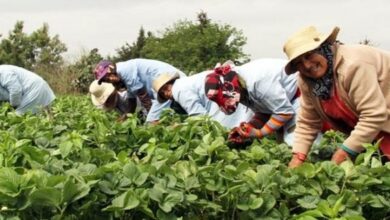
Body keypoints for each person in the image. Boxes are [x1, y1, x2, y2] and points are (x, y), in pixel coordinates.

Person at [283, 26, 390, 168]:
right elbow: (308, 121)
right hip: (377, 127)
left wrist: (343, 152)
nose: (307, 65)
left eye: (309, 55)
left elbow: (373, 115)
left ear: (323, 48)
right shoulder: (307, 80)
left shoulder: (353, 65)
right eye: (298, 63)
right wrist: (298, 157)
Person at [204, 59, 299, 145]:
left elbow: (284, 113)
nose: (238, 101)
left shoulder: (258, 83)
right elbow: (263, 112)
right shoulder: (241, 86)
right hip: (286, 102)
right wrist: (248, 128)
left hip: (301, 91)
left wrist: (260, 133)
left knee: (294, 142)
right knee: (282, 145)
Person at [152, 69, 254, 128]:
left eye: (166, 88)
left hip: (225, 97)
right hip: (232, 92)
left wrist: (181, 126)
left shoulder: (178, 90)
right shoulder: (185, 83)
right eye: (163, 93)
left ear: (172, 82)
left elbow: (200, 116)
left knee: (226, 130)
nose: (167, 93)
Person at [93, 58, 186, 123]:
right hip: (163, 86)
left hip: (167, 82)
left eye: (109, 76)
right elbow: (132, 101)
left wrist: (152, 117)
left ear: (111, 68)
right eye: (107, 80)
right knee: (181, 112)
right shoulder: (122, 76)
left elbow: (143, 96)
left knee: (151, 123)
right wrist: (125, 117)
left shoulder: (124, 71)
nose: (110, 79)